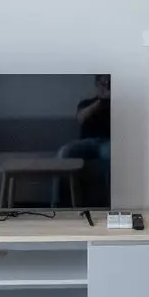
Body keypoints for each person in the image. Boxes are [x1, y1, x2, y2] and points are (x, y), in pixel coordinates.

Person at [53, 75, 111, 207]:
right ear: (97, 85)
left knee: (113, 156)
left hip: (108, 143)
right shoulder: (86, 103)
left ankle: (112, 203)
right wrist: (101, 100)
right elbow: (81, 118)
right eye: (103, 83)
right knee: (64, 152)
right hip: (86, 143)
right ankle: (58, 203)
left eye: (108, 83)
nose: (106, 86)